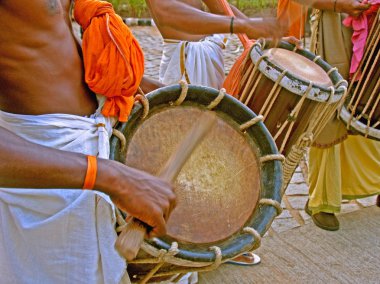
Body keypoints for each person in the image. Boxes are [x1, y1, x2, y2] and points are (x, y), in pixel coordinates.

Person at [0, 0, 177, 283]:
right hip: (46, 173)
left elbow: (55, 38)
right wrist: (109, 176)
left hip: (91, 151)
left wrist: (136, 84)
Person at [145, 0, 290, 267]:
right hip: (183, 64)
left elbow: (225, 11)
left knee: (213, 159)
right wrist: (240, 25)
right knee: (182, 159)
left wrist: (268, 36)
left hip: (211, 64)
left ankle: (216, 236)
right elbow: (168, 17)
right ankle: (182, 239)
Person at [277, 0, 380, 231]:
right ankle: (323, 200)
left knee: (372, 106)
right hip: (332, 26)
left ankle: (377, 181)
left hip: (374, 22)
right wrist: (337, 5)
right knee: (331, 111)